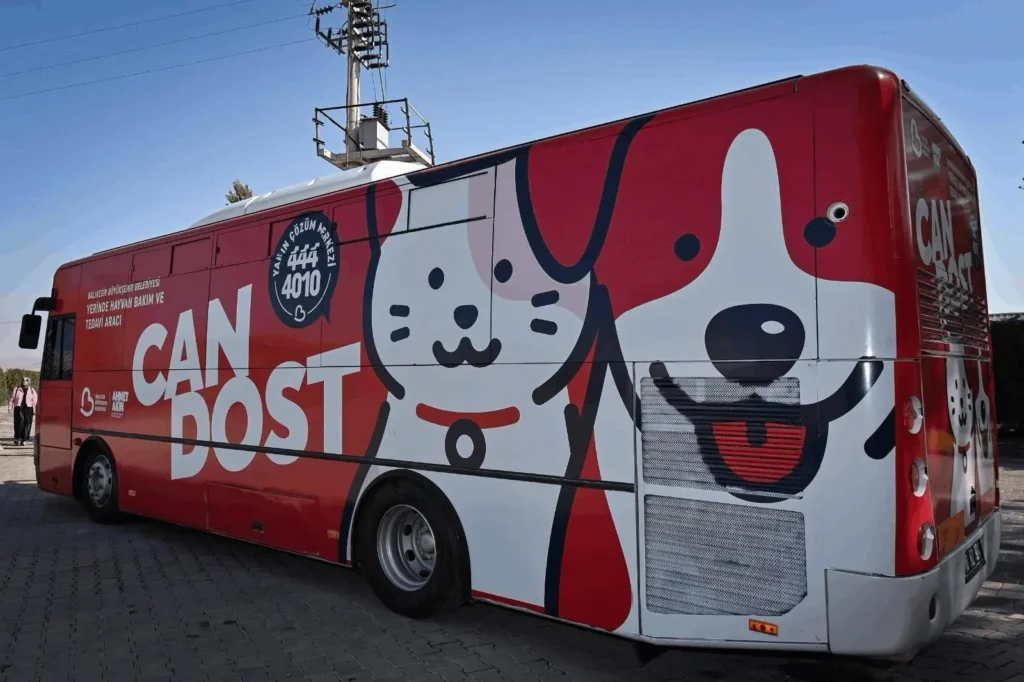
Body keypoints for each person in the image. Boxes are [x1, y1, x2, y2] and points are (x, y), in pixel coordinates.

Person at [8, 377, 38, 446]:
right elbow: (12, 399)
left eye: (26, 380)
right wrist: (10, 407)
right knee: (19, 423)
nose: (24, 381)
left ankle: (24, 439)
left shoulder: (32, 390)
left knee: (28, 424)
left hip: (29, 408)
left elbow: (35, 401)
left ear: (29, 381)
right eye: (23, 380)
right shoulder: (17, 389)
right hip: (18, 408)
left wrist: (35, 410)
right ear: (21, 381)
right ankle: (17, 438)